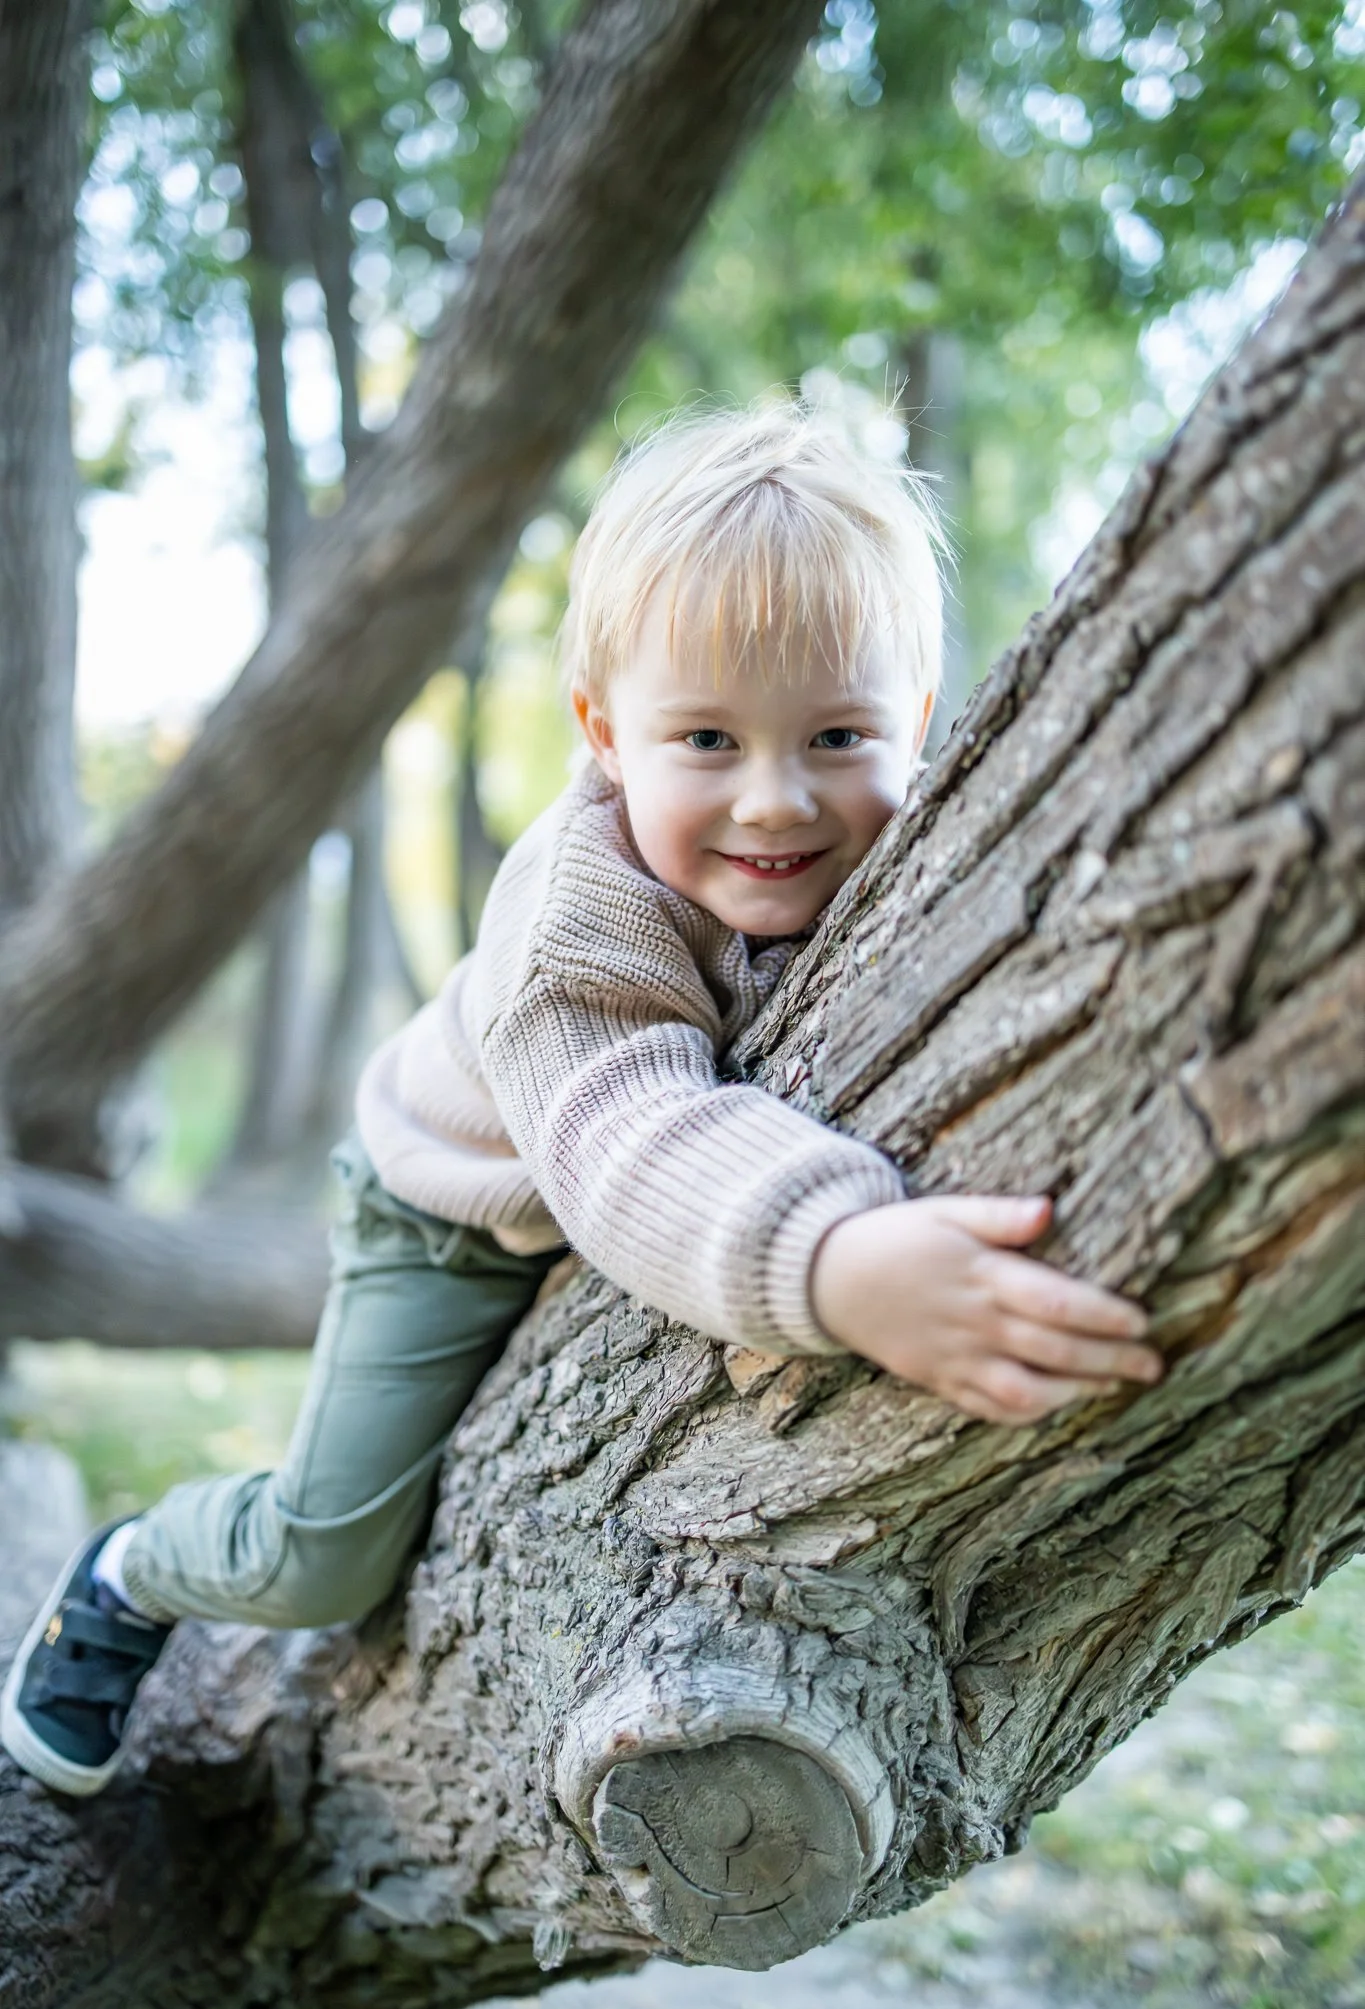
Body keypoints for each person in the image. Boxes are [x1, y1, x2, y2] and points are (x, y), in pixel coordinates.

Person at [1, 401, 1160, 1798]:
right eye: (710, 742)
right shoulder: (573, 929)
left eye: (840, 733)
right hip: (453, 1209)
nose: (779, 802)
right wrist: (838, 1259)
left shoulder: (904, 839)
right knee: (332, 1553)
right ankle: (132, 1572)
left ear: (917, 719)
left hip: (597, 1198)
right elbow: (632, 1141)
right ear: (607, 733)